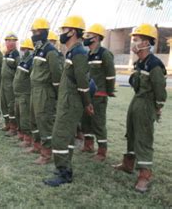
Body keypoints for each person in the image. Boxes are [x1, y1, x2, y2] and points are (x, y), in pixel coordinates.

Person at [113, 24, 167, 193]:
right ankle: (128, 163)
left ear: (146, 43)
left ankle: (144, 175)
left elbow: (160, 90)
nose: (133, 43)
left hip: (146, 104)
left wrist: (157, 107)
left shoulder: (154, 64)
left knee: (143, 138)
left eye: (136, 40)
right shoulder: (140, 63)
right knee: (131, 133)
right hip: (136, 101)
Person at [44, 15, 94, 187]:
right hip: (67, 100)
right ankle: (64, 168)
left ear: (73, 32)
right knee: (67, 138)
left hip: (71, 103)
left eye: (64, 30)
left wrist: (87, 103)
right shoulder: (73, 51)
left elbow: (83, 83)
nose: (62, 33)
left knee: (59, 137)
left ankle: (64, 173)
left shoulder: (79, 53)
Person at [29, 18, 62, 165]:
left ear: (43, 32)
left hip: (44, 91)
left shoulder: (51, 51)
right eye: (33, 32)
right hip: (35, 89)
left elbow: (56, 74)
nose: (34, 35)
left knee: (44, 121)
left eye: (36, 32)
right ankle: (37, 146)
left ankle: (47, 153)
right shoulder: (38, 49)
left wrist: (54, 93)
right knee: (34, 119)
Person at [81, 23, 116, 161]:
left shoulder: (104, 54)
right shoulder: (88, 54)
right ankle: (88, 145)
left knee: (98, 122)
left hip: (99, 95)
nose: (86, 38)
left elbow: (110, 75)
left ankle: (102, 151)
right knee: (86, 120)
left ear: (96, 37)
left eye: (88, 36)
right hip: (87, 94)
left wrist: (108, 91)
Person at [13, 38, 35, 146]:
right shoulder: (23, 60)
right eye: (21, 48)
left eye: (24, 49)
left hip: (25, 94)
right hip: (18, 94)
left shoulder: (31, 61)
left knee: (25, 117)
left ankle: (28, 139)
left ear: (29, 49)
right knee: (19, 115)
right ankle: (21, 135)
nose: (22, 50)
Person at [0, 33, 20, 136]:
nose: (9, 43)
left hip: (11, 84)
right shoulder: (6, 53)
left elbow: (18, 70)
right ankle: (7, 123)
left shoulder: (16, 54)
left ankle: (13, 127)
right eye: (7, 40)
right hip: (3, 83)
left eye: (12, 41)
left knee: (11, 105)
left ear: (15, 42)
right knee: (3, 103)